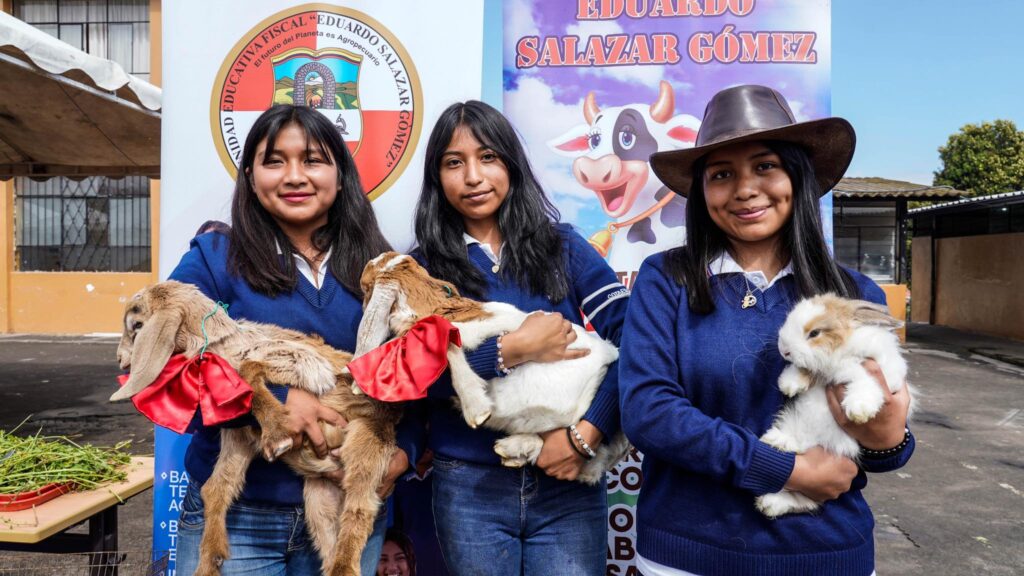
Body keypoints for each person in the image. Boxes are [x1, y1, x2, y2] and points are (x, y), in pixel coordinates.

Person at [618, 85, 915, 576]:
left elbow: (879, 447)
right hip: (687, 556)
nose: (745, 189)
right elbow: (649, 412)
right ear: (701, 191)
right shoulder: (666, 279)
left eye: (765, 166)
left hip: (824, 553)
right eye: (721, 174)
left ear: (797, 175)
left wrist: (889, 439)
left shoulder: (853, 294)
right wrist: (785, 469)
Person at [170, 104, 407, 575]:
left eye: (313, 159)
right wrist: (274, 404)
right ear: (251, 178)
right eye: (274, 160)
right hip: (240, 518)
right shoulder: (215, 258)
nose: (294, 176)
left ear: (341, 176)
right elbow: (170, 364)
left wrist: (404, 455)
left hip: (345, 509)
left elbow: (415, 375)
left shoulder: (380, 265)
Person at [399, 100, 629, 575]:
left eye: (488, 157)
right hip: (468, 486)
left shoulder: (563, 246)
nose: (473, 177)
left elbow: (640, 343)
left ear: (511, 163)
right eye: (453, 163)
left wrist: (588, 434)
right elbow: (410, 380)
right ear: (436, 177)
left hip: (568, 478)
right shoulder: (422, 269)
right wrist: (510, 352)